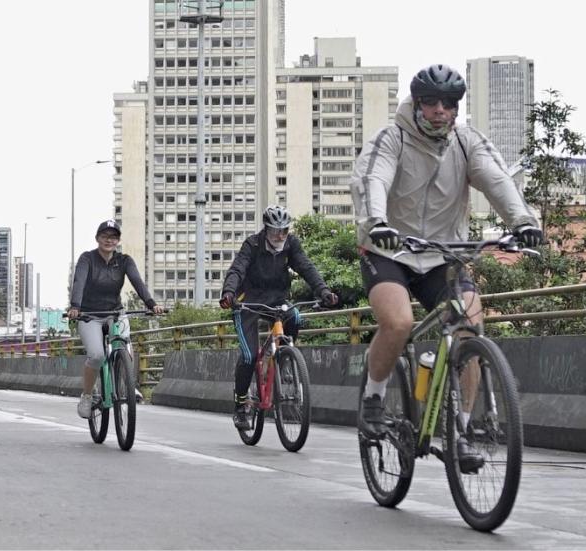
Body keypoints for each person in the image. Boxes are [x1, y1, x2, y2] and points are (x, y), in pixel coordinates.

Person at [350, 64, 543, 472]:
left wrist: (523, 222)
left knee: (470, 324)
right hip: (390, 251)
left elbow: (497, 180)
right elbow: (373, 181)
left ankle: (463, 429)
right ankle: (373, 396)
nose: (440, 111)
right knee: (399, 323)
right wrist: (376, 224)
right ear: (417, 103)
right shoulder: (392, 139)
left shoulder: (467, 141)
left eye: (449, 104)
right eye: (431, 103)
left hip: (444, 253)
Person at [219, 205, 339, 430]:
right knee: (249, 356)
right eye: (275, 231)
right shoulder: (252, 245)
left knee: (295, 317)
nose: (280, 236)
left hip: (277, 300)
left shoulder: (291, 244)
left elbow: (306, 267)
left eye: (284, 231)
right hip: (248, 302)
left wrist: (323, 291)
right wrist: (228, 292)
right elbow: (237, 269)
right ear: (266, 229)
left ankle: (284, 358)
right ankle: (241, 405)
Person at [68, 219, 164, 419]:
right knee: (96, 355)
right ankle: (87, 395)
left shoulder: (124, 261)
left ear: (118, 241)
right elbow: (79, 281)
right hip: (89, 315)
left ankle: (127, 386)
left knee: (124, 345)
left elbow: (137, 281)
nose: (108, 241)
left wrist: (151, 303)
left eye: (113, 237)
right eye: (104, 236)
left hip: (115, 313)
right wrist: (75, 306)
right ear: (97, 238)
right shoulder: (87, 259)